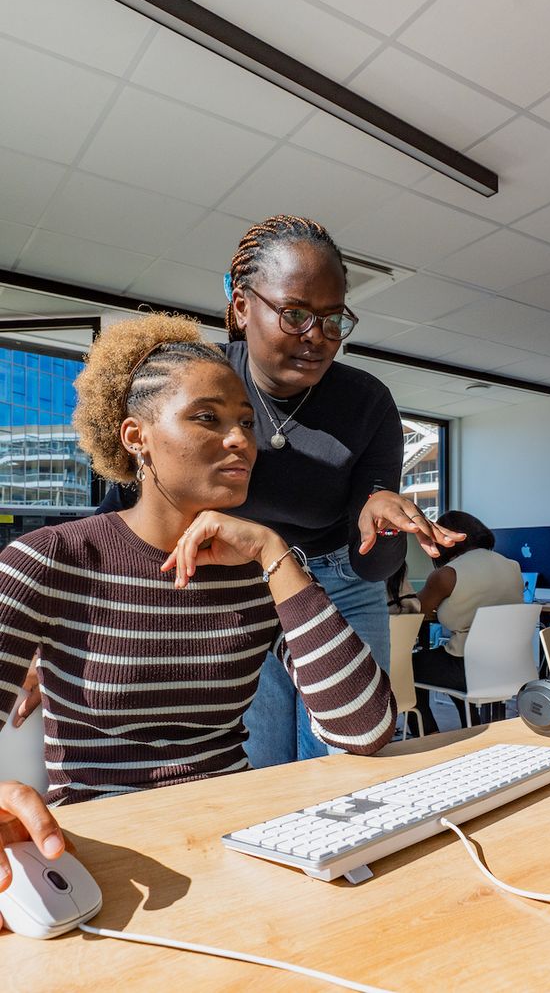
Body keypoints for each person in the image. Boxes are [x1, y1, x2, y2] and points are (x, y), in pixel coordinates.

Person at [0, 311, 398, 916]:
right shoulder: (52, 558)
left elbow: (363, 731)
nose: (241, 440)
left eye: (246, 422)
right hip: (100, 854)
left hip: (243, 842)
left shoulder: (258, 568)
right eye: (206, 419)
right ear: (137, 437)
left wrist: (273, 552)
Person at [98, 215, 463, 767]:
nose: (316, 337)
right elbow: (127, 503)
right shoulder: (201, 382)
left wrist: (381, 516)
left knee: (349, 756)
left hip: (339, 577)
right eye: (294, 314)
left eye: (333, 318)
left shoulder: (366, 401)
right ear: (243, 307)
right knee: (262, 749)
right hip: (236, 580)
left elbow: (373, 560)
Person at [408, 510, 524, 733]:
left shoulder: (447, 574)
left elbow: (415, 610)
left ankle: (426, 735)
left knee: (406, 667)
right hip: (507, 665)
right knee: (444, 657)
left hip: (468, 668)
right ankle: (470, 727)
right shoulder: (512, 565)